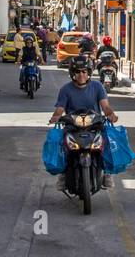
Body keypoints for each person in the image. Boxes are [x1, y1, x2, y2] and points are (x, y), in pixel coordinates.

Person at [50, 57, 118, 192]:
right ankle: (63, 175)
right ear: (72, 73)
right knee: (60, 144)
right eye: (78, 71)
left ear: (89, 72)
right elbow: (60, 108)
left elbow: (105, 106)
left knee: (108, 141)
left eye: (84, 71)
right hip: (72, 126)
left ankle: (108, 173)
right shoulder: (65, 89)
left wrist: (111, 115)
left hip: (94, 125)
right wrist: (56, 117)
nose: (81, 74)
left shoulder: (97, 86)